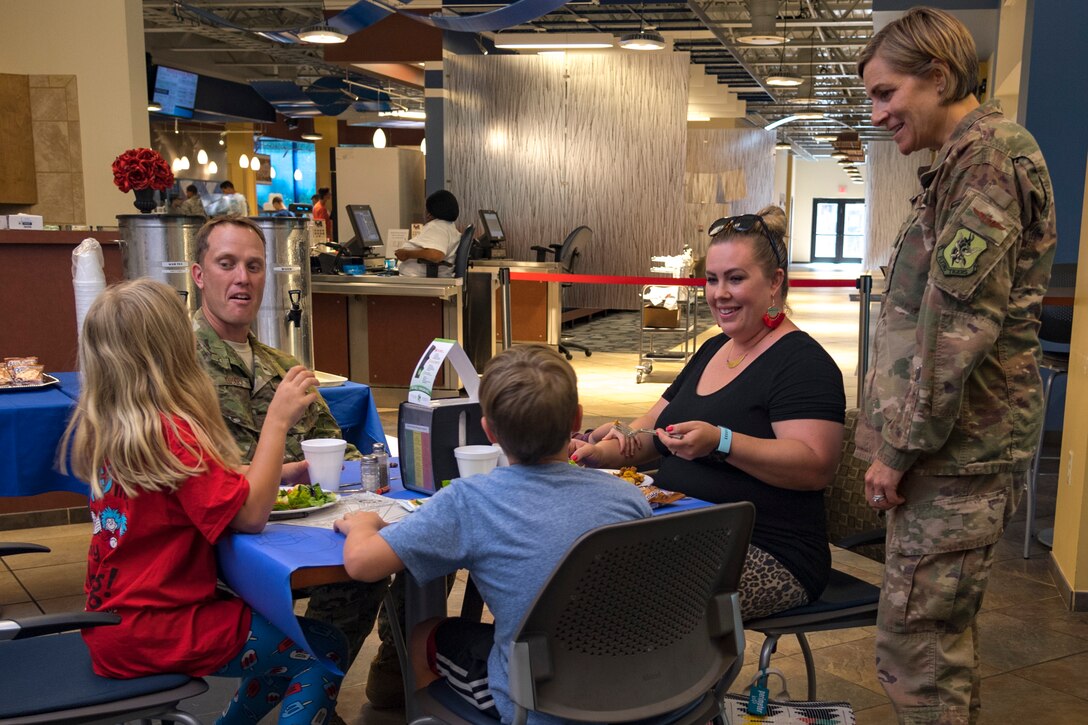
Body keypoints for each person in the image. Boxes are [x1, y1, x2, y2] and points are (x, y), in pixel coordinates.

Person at [855, 8, 1056, 723]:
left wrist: (902, 447)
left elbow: (959, 326)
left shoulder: (989, 158)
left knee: (918, 654)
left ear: (938, 77)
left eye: (886, 94)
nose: (878, 114)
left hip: (953, 454)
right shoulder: (967, 159)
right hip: (950, 451)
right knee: (936, 646)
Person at [63, 278, 346, 724]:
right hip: (162, 628)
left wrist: (272, 471)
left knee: (286, 650)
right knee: (321, 650)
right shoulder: (174, 433)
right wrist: (276, 419)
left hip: (112, 626)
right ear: (174, 352)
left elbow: (185, 489)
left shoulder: (116, 429)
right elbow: (251, 517)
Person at [334, 344, 651, 721]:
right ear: (577, 419)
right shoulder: (629, 496)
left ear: (487, 430)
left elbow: (361, 564)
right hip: (646, 686)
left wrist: (364, 522)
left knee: (424, 637)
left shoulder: (470, 501)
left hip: (539, 704)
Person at [570, 205, 846, 621]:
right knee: (563, 561)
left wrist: (722, 442)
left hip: (768, 552)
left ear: (775, 283)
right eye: (712, 280)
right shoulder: (713, 349)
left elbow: (814, 465)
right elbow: (649, 432)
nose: (720, 294)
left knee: (614, 594)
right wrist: (598, 446)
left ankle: (666, 685)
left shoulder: (802, 363)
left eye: (736, 279)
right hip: (685, 528)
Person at [190, 217, 400, 719]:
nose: (242, 278)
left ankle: (315, 696)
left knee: (368, 567)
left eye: (254, 266)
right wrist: (287, 468)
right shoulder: (175, 364)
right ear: (199, 274)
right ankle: (310, 694)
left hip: (297, 529)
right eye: (227, 264)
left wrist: (361, 469)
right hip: (219, 538)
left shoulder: (284, 367)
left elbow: (337, 450)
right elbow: (191, 475)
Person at [394, 189, 461, 277]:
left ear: (429, 213)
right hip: (420, 279)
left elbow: (436, 255)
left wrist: (407, 254)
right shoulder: (449, 227)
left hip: (419, 281)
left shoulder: (437, 227)